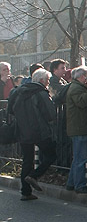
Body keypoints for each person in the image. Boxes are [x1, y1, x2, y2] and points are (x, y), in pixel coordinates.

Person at [7, 68, 58, 201]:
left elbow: (10, 110)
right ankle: (35, 176)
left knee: (27, 160)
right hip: (40, 131)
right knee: (51, 155)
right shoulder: (41, 92)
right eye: (47, 80)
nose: (48, 83)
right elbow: (50, 114)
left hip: (22, 130)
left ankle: (25, 192)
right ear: (42, 80)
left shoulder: (17, 91)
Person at [64, 66, 87, 193]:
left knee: (78, 157)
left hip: (81, 127)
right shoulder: (76, 89)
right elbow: (82, 103)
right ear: (81, 77)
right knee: (81, 158)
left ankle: (71, 183)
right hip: (79, 128)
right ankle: (80, 185)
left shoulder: (78, 88)